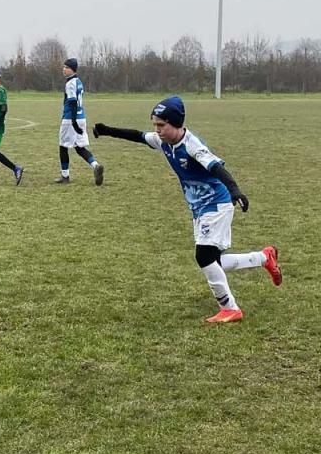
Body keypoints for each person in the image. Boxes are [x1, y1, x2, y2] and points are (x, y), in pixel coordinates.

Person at [93, 95, 279, 323]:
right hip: (199, 208)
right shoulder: (163, 141)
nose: (157, 130)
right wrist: (107, 130)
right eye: (155, 125)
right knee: (214, 262)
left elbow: (217, 168)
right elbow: (138, 136)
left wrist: (235, 191)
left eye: (161, 125)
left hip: (217, 204)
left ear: (176, 124)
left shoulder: (192, 146)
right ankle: (263, 257)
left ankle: (230, 308)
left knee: (204, 256)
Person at [54, 57, 103, 185]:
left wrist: (73, 122)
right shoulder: (79, 81)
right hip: (82, 117)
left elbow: (73, 102)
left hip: (71, 119)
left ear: (73, 69)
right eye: (63, 67)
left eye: (67, 68)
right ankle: (95, 165)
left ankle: (65, 176)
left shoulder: (70, 83)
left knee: (63, 146)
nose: (64, 70)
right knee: (79, 147)